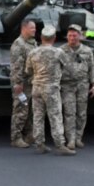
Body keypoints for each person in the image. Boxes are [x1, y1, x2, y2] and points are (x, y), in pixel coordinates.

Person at [25, 25, 74, 155]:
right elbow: (69, 68)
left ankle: (40, 144)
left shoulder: (33, 52)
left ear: (41, 38)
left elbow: (28, 71)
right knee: (55, 116)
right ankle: (60, 145)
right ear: (54, 38)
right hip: (51, 89)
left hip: (36, 88)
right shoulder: (58, 52)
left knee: (38, 116)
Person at [59, 24, 94, 150]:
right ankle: (70, 139)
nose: (72, 38)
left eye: (75, 35)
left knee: (81, 113)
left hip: (83, 85)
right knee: (69, 112)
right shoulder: (61, 51)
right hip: (67, 85)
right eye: (70, 36)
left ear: (80, 36)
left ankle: (78, 138)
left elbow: (92, 68)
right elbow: (55, 69)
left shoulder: (87, 51)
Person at [9, 18, 37, 148]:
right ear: (24, 28)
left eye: (35, 28)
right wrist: (18, 83)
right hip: (22, 83)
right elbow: (17, 66)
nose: (34, 30)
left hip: (31, 82)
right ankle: (16, 137)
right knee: (21, 109)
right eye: (32, 28)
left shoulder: (32, 43)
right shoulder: (18, 44)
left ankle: (29, 135)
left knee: (30, 110)